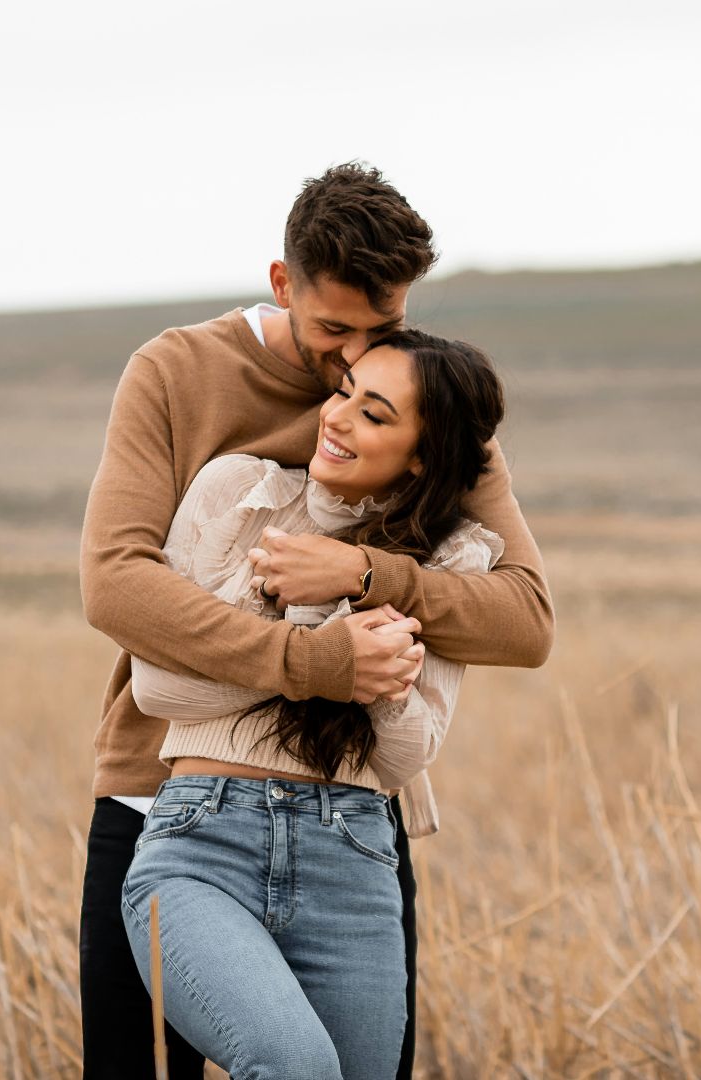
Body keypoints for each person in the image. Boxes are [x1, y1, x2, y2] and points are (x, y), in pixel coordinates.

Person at [77, 163, 553, 1080]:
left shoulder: (429, 403)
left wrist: (367, 573)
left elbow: (524, 619)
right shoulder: (176, 373)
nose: (352, 363)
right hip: (162, 790)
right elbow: (116, 587)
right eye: (335, 330)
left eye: (384, 331)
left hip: (351, 812)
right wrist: (314, 660)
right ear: (283, 285)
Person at [120, 329, 504, 1078]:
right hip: (202, 843)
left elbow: (404, 755)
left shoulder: (448, 558)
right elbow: (157, 686)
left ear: (423, 453)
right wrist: (313, 641)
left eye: (376, 413)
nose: (338, 418)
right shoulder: (237, 493)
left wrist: (357, 588)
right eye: (344, 392)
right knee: (295, 1067)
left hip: (353, 860)